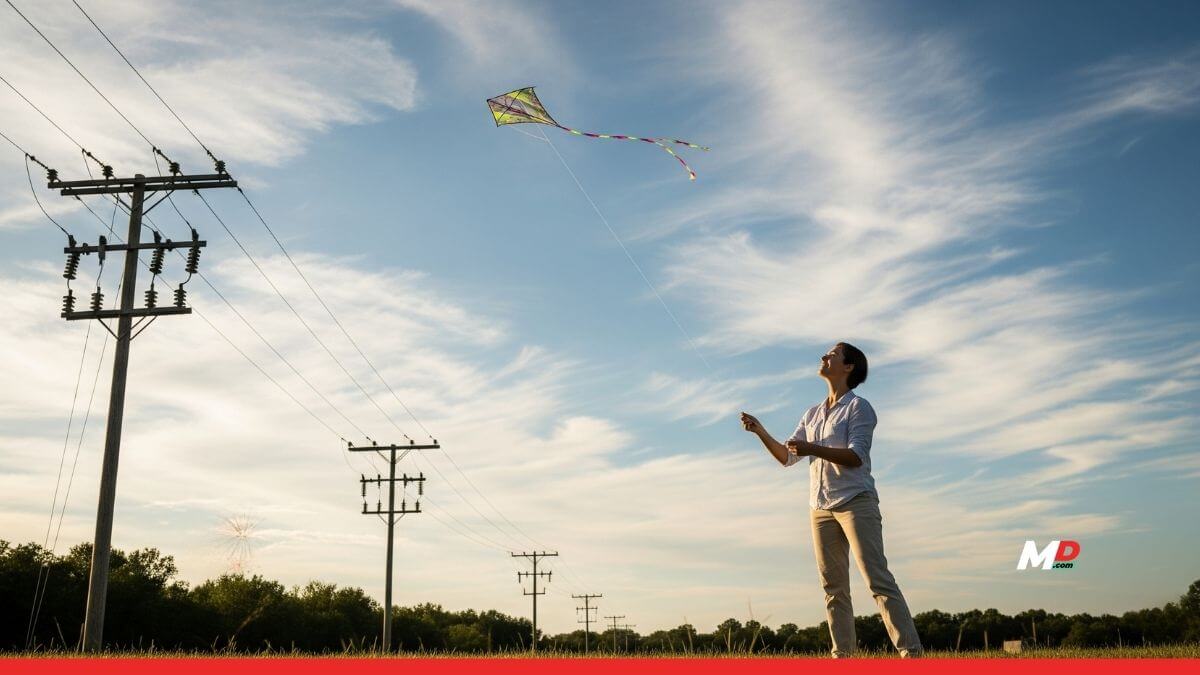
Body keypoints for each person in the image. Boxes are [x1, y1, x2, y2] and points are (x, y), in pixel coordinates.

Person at [740, 342, 923, 658]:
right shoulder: (812, 413)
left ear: (848, 367)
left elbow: (856, 456)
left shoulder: (859, 408)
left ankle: (912, 654)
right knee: (833, 590)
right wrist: (760, 431)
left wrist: (813, 449)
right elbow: (787, 456)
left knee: (877, 579)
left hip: (856, 502)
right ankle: (843, 658)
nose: (824, 357)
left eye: (832, 354)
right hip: (820, 508)